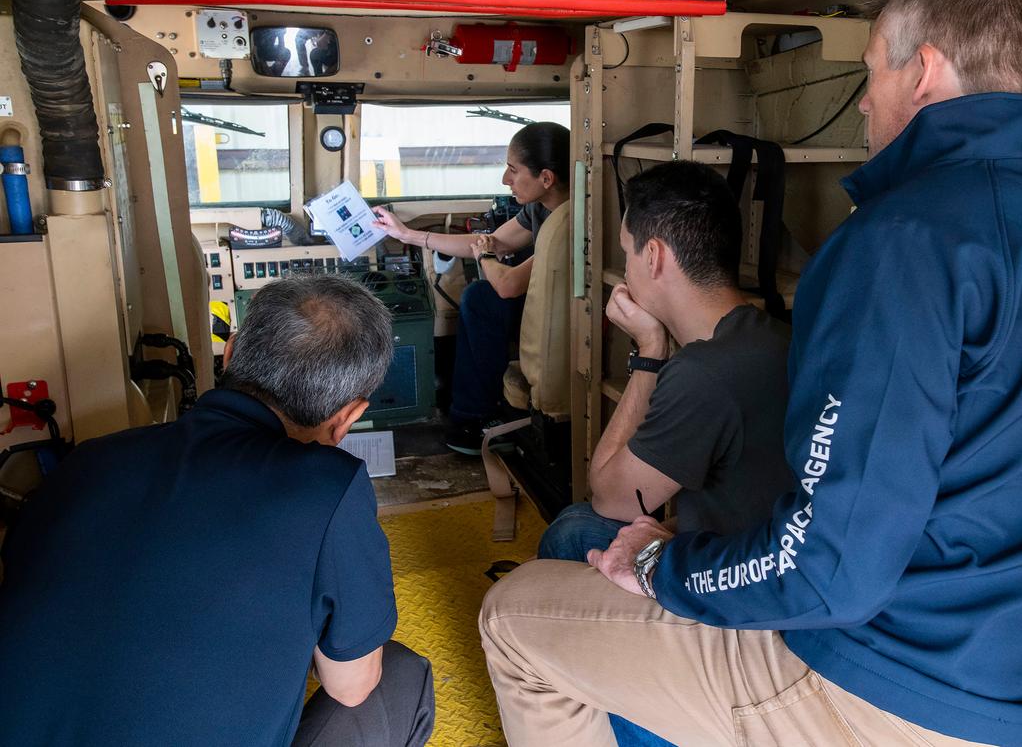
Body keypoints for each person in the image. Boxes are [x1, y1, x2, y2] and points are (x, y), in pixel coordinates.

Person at [479, 0, 1022, 747]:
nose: (866, 108)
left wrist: (659, 567)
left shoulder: (902, 240)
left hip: (891, 682)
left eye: (872, 73)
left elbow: (827, 571)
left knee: (515, 615)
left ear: (926, 72)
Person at [0, 275, 434, 747]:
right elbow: (350, 687)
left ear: (228, 356)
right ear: (348, 417)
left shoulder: (87, 459)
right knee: (401, 675)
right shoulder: (331, 486)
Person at [537, 160, 794, 563]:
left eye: (627, 252)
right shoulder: (767, 333)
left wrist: (650, 349)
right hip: (764, 538)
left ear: (653, 256)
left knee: (573, 533)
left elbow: (609, 497)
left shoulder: (704, 373)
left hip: (738, 571)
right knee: (575, 523)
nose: (626, 269)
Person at [373, 121, 571, 455]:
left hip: (566, 316)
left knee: (483, 296)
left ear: (546, 178)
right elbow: (487, 241)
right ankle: (470, 415)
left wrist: (488, 257)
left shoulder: (570, 221)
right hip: (544, 304)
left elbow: (507, 284)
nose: (505, 180)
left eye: (512, 170)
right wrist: (408, 235)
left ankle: (475, 417)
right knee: (479, 296)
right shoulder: (539, 207)